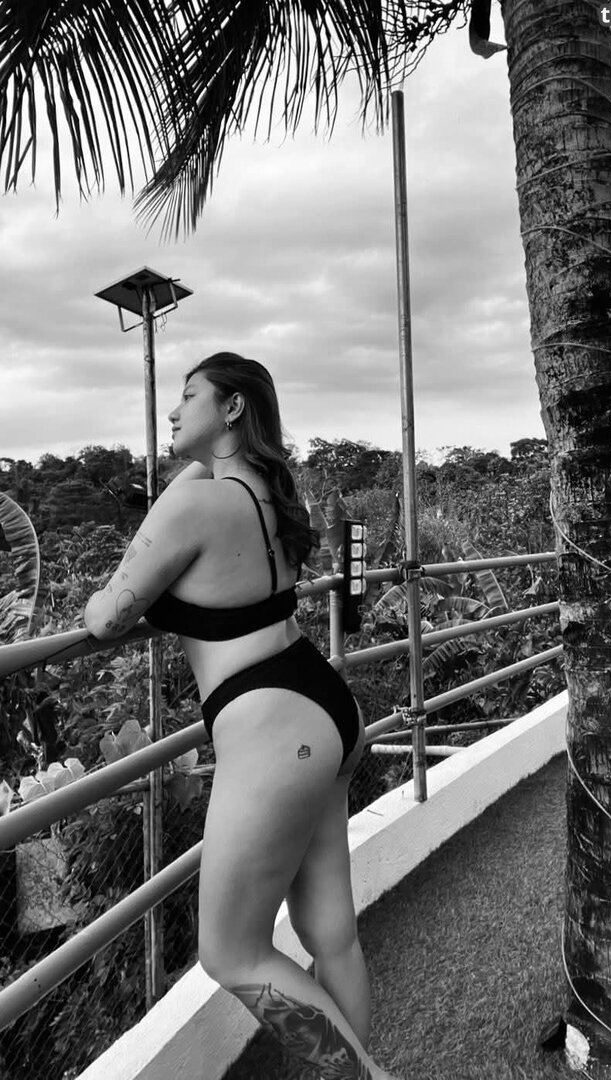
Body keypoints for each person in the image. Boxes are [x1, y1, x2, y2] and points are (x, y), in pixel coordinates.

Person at [84, 352, 398, 1080]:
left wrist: (106, 595)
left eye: (189, 395)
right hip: (320, 704)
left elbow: (105, 616)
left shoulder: (195, 505)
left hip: (273, 728)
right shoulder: (268, 493)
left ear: (231, 408)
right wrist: (199, 458)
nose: (171, 411)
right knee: (330, 934)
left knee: (231, 953)